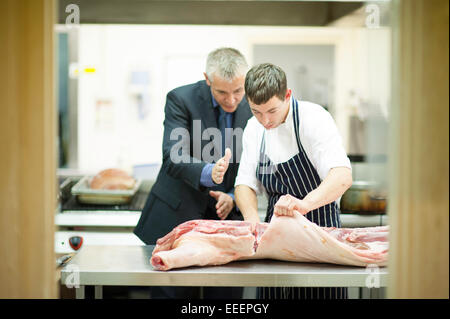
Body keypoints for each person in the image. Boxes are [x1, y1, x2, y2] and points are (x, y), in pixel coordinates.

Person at [134, 48, 252, 299]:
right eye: (222, 92)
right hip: (178, 214)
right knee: (172, 293)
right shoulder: (181, 99)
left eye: (238, 91)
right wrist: (211, 172)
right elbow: (173, 157)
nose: (231, 100)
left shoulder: (254, 104)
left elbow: (255, 161)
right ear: (207, 79)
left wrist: (231, 194)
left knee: (226, 298)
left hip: (225, 221)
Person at [234, 63, 353, 299]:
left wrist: (304, 204)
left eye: (272, 111)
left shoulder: (314, 118)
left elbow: (342, 175)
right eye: (256, 111)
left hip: (320, 234)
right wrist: (251, 221)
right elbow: (244, 183)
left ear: (288, 95)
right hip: (274, 239)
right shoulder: (253, 128)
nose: (265, 120)